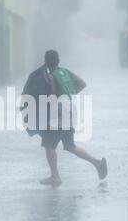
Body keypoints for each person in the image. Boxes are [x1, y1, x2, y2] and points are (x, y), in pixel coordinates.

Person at [26, 50, 108, 186]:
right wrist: (69, 94)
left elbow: (52, 95)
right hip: (70, 108)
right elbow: (82, 83)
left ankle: (55, 177)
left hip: (58, 112)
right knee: (70, 146)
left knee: (48, 144)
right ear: (58, 60)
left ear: (46, 62)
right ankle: (97, 163)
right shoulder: (66, 72)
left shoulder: (50, 76)